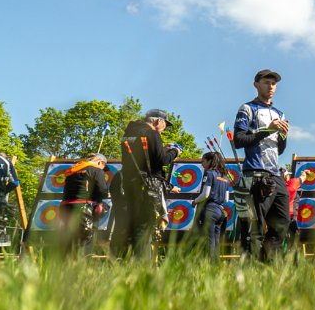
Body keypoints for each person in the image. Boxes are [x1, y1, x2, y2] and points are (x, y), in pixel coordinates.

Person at [231, 70, 292, 263]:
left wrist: (283, 135)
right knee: (253, 226)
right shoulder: (247, 109)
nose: (271, 86)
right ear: (256, 84)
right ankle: (250, 268)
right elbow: (239, 140)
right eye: (266, 82)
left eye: (274, 83)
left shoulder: (279, 113)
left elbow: (279, 149)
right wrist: (268, 129)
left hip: (275, 173)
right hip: (255, 173)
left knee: (282, 223)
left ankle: (268, 264)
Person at [115, 109, 180, 261]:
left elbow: (144, 157)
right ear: (158, 121)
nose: (164, 129)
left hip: (130, 182)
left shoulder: (130, 132)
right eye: (165, 125)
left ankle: (126, 262)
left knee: (133, 223)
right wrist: (175, 152)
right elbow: (163, 160)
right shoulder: (152, 133)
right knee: (144, 226)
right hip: (148, 184)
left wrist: (161, 150)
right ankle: (140, 265)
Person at [59, 153, 110, 258]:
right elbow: (103, 189)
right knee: (84, 240)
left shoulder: (73, 170)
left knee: (68, 241)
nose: (103, 169)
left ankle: (63, 269)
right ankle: (80, 269)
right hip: (82, 209)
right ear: (99, 162)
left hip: (65, 207)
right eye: (103, 166)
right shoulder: (96, 170)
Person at [191, 152, 230, 260]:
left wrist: (195, 201)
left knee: (209, 240)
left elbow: (206, 194)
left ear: (209, 161)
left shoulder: (209, 173)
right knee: (216, 240)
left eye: (203, 161)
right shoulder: (225, 177)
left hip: (209, 210)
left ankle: (209, 266)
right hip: (220, 211)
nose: (202, 164)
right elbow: (226, 199)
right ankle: (216, 265)